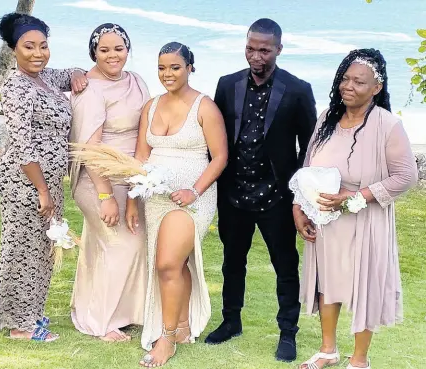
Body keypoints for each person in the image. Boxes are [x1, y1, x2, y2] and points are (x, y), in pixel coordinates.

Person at [296, 49, 418, 369]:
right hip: (327, 220)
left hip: (367, 220)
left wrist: (355, 197)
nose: (348, 86)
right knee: (328, 284)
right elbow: (308, 166)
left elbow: (406, 177)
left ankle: (359, 359)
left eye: (358, 81)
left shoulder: (388, 125)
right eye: (345, 78)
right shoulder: (327, 118)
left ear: (376, 88)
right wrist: (300, 206)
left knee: (366, 288)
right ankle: (327, 350)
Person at [205, 18, 317, 362]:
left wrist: (299, 195)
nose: (256, 55)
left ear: (279, 50)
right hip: (234, 194)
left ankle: (288, 333)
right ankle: (230, 322)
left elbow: (309, 149)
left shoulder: (298, 90)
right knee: (231, 262)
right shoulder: (226, 85)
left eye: (264, 50)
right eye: (251, 48)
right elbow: (217, 138)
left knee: (285, 265)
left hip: (277, 198)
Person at [125, 42, 228, 366]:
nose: (167, 74)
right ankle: (181, 326)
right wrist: (131, 200)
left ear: (190, 68)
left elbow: (220, 157)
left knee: (166, 265)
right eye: (161, 68)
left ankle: (166, 339)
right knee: (175, 265)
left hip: (191, 198)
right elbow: (141, 156)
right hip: (154, 197)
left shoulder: (205, 107)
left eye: (174, 67)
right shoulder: (151, 107)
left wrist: (194, 191)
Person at [0, 12, 87, 341]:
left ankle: (30, 316)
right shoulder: (16, 88)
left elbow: (74, 73)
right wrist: (44, 191)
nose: (37, 53)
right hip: (26, 182)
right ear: (12, 50)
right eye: (28, 47)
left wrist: (77, 75)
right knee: (24, 250)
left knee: (42, 250)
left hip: (48, 181)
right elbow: (22, 147)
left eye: (43, 46)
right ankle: (21, 326)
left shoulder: (44, 78)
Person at [69, 23, 150, 342]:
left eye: (119, 48)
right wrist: (105, 196)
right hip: (97, 178)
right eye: (104, 49)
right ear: (93, 52)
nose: (112, 55)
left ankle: (121, 312)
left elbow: (147, 124)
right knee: (120, 244)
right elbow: (90, 148)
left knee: (112, 245)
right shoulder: (90, 89)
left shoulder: (137, 80)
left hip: (132, 176)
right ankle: (99, 321)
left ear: (128, 50)